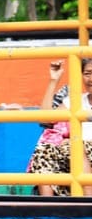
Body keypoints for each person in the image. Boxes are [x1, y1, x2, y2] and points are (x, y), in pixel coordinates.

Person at [27, 58, 92, 196]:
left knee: (74, 145)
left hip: (78, 149)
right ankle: (48, 205)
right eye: (87, 73)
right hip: (74, 152)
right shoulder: (76, 101)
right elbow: (46, 119)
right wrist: (53, 80)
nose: (91, 79)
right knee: (45, 149)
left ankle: (88, 200)